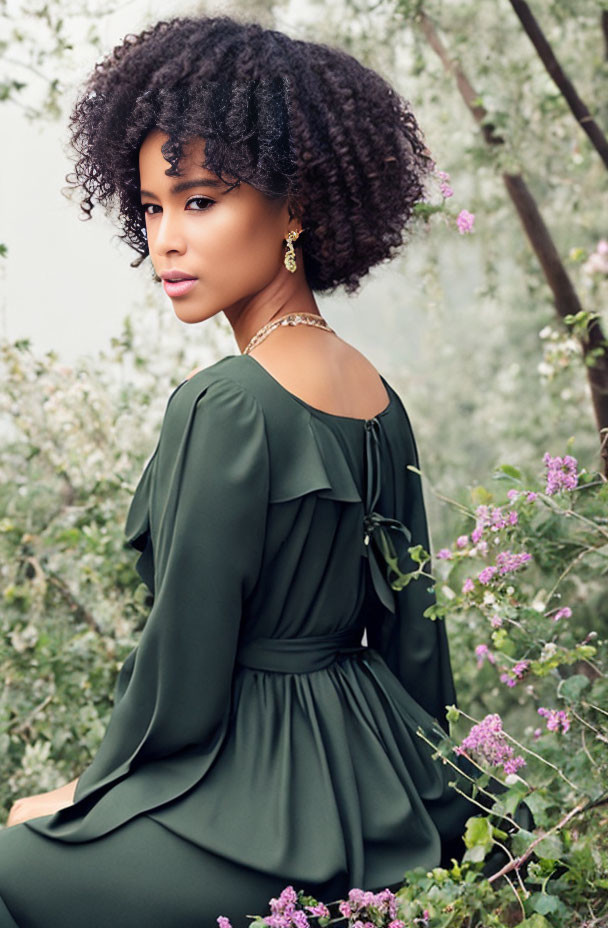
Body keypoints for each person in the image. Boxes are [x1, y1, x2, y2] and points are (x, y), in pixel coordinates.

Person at [0, 13, 532, 927]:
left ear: (295, 208)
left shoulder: (227, 403)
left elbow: (185, 678)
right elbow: (416, 639)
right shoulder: (378, 395)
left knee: (11, 863)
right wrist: (455, 813)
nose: (166, 239)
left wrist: (83, 797)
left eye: (200, 201)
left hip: (253, 803)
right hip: (384, 783)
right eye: (151, 208)